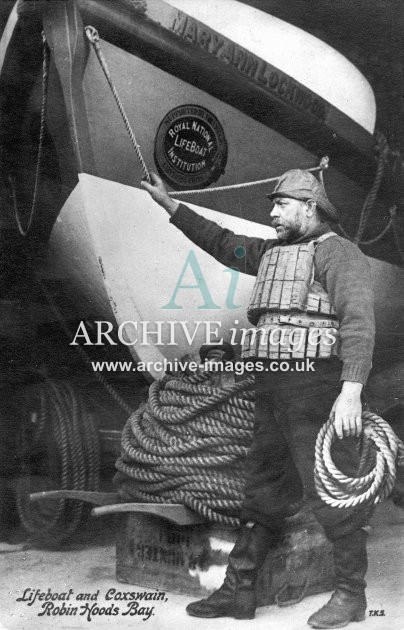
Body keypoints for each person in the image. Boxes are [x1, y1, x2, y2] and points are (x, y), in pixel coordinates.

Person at [141, 169, 375, 629]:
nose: (271, 213)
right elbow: (224, 242)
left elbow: (359, 323)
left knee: (330, 492)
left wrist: (351, 392)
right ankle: (239, 590)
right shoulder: (272, 253)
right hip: (272, 389)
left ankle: (352, 595)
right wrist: (168, 203)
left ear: (310, 206)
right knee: (262, 492)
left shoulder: (340, 254)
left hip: (317, 389)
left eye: (281, 204)